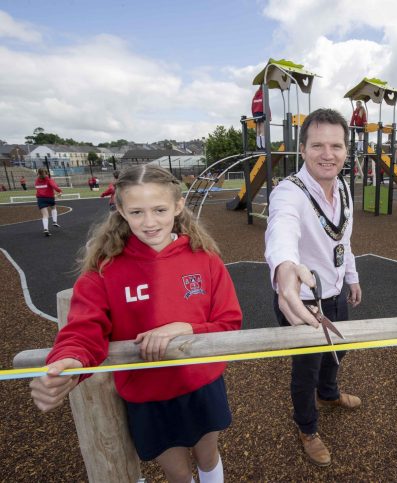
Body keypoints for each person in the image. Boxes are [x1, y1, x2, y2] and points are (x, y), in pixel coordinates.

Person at [29, 165, 242, 483]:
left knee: (208, 457)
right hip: (147, 393)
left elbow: (229, 323)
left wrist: (187, 329)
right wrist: (69, 360)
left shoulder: (205, 258)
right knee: (178, 472)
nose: (150, 221)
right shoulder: (105, 269)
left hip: (202, 383)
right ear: (120, 210)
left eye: (159, 210)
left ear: (178, 206)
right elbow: (84, 330)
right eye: (137, 212)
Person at [264, 108, 362, 467]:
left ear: (346, 151)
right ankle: (307, 427)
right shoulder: (289, 192)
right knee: (305, 369)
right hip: (302, 301)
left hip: (334, 293)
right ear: (302, 149)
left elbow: (344, 241)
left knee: (339, 351)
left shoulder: (345, 188)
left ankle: (330, 393)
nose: (327, 154)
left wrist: (351, 276)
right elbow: (282, 230)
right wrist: (285, 269)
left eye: (336, 145)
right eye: (317, 145)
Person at [34, 168, 62, 236]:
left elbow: (38, 188)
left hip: (40, 199)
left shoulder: (36, 181)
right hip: (49, 198)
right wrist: (60, 191)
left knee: (45, 215)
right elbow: (54, 186)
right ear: (47, 173)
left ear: (38, 173)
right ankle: (54, 221)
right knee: (53, 208)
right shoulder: (49, 180)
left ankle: (46, 229)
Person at [251, 85, 271, 150]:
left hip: (255, 114)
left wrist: (253, 115)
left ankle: (258, 146)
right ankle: (263, 146)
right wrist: (269, 115)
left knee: (258, 130)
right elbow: (267, 106)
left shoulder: (255, 97)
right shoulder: (263, 96)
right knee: (262, 129)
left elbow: (252, 107)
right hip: (261, 113)